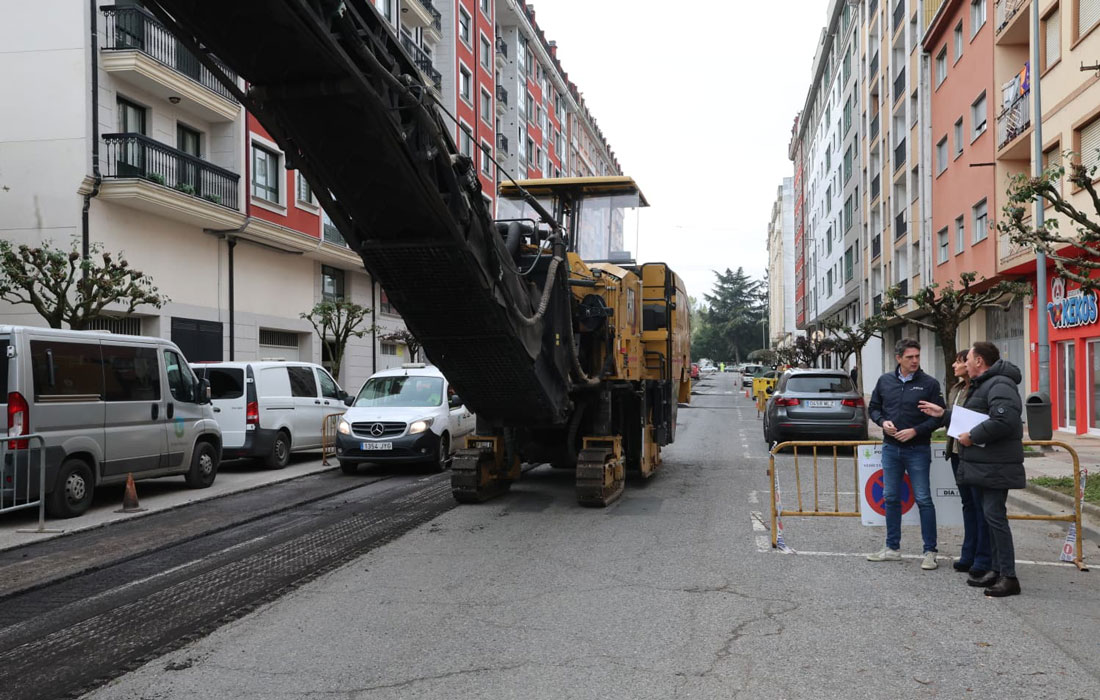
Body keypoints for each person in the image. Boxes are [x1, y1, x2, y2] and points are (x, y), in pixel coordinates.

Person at [948, 342, 1025, 597]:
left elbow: (1004, 420)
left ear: (979, 361)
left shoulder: (1000, 384)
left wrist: (972, 435)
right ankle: (996, 569)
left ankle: (1008, 577)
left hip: (996, 465)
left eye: (968, 359)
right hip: (986, 464)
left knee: (995, 518)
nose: (965, 363)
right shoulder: (986, 384)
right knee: (990, 518)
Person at [866, 338, 945, 569]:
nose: (914, 361)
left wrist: (915, 431)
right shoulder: (884, 381)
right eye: (910, 357)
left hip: (917, 448)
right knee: (890, 497)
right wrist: (883, 422)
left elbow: (938, 417)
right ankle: (892, 548)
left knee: (923, 498)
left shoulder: (929, 384)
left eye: (917, 356)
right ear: (898, 358)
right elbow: (874, 408)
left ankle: (930, 552)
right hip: (891, 448)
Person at [918, 351, 993, 582]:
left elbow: (981, 419)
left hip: (975, 453)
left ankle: (983, 558)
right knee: (968, 504)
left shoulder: (982, 388)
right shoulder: (956, 389)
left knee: (981, 507)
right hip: (956, 452)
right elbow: (952, 418)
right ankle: (968, 553)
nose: (954, 365)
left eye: (960, 361)